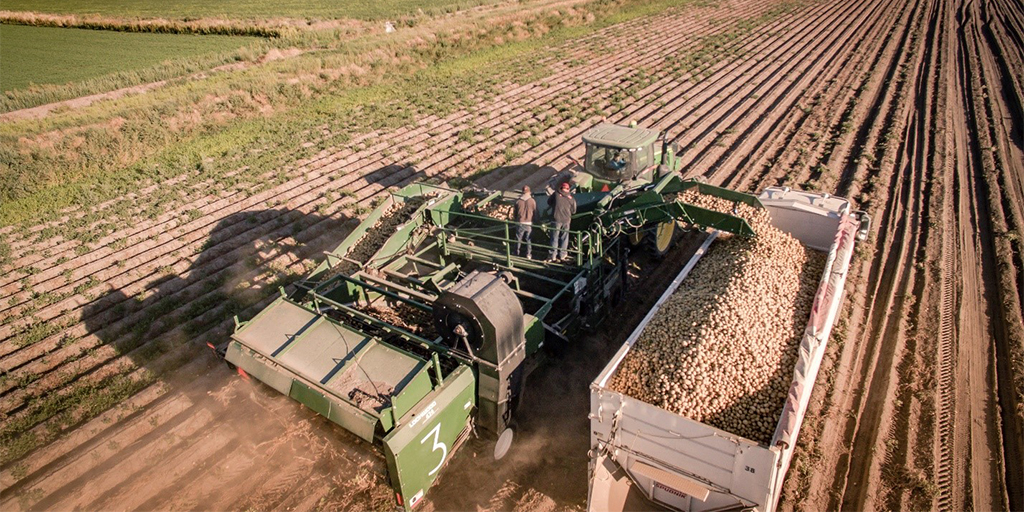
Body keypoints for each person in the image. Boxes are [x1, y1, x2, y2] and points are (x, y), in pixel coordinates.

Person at [547, 181, 576, 261]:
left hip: (556, 219)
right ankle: (563, 255)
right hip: (566, 220)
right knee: (564, 237)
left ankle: (552, 255)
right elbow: (574, 211)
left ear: (561, 188)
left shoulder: (556, 194)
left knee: (554, 237)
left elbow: (549, 202)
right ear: (568, 189)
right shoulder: (571, 199)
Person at [513, 186, 537, 259]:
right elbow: (535, 212)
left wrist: (516, 219)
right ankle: (528, 254)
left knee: (518, 239)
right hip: (529, 223)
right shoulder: (532, 201)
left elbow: (515, 213)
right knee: (528, 239)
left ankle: (516, 253)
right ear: (529, 192)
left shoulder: (518, 201)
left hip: (520, 222)